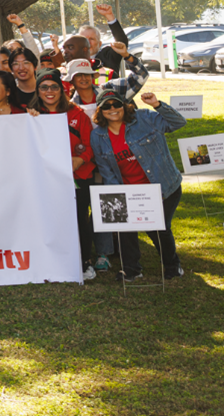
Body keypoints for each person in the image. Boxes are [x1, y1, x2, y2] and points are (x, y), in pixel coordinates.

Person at [89, 82, 186, 282]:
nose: (112, 109)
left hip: (163, 186)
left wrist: (157, 105)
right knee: (125, 228)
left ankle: (172, 266)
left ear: (124, 105)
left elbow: (178, 123)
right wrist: (118, 198)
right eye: (106, 106)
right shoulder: (97, 136)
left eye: (116, 104)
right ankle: (132, 269)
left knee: (158, 227)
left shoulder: (144, 119)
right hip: (129, 191)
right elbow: (107, 171)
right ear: (100, 111)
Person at [29, 70, 101, 279]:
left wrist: (79, 160)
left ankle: (85, 261)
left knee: (79, 219)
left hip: (77, 176)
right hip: (47, 179)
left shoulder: (77, 113)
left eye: (54, 87)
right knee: (49, 220)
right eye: (44, 87)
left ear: (62, 90)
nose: (49, 91)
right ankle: (52, 260)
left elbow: (90, 145)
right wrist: (30, 120)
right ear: (38, 90)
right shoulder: (31, 115)